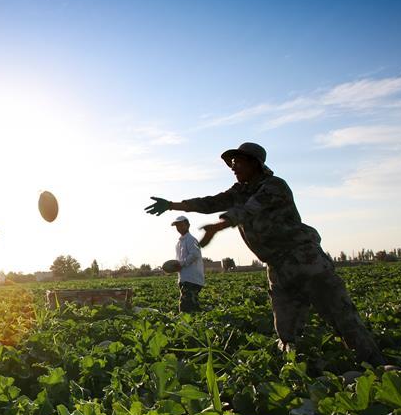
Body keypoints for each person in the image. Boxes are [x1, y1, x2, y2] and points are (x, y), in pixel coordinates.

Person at [144, 142, 385, 366]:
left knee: (341, 315)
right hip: (278, 268)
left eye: (238, 162)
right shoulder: (239, 191)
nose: (233, 167)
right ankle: (298, 372)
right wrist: (172, 205)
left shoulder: (274, 186)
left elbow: (248, 211)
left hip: (305, 260)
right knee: (286, 330)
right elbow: (210, 202)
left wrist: (217, 227)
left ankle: (375, 365)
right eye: (232, 163)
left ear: (255, 163)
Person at [170, 215, 204, 313]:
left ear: (188, 225)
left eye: (181, 225)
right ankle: (198, 323)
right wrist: (174, 267)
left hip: (192, 279)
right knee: (192, 304)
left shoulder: (191, 239)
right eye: (177, 225)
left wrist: (181, 264)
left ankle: (190, 324)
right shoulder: (179, 243)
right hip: (184, 278)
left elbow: (194, 254)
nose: (179, 227)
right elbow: (179, 261)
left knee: (186, 305)